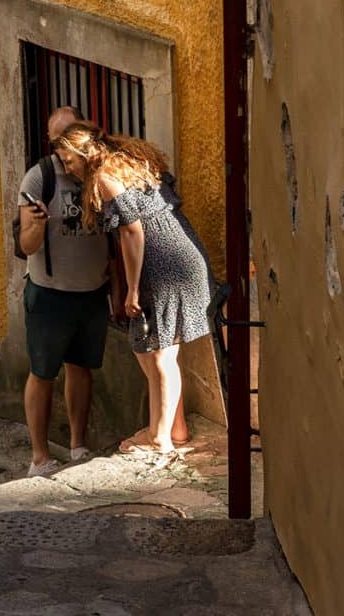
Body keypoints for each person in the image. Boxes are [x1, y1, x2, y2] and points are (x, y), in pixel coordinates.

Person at [54, 122, 215, 456]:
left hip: (165, 266)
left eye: (69, 160)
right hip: (184, 257)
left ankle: (160, 438)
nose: (67, 168)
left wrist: (132, 289)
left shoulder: (103, 178)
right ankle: (176, 428)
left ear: (84, 153)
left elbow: (132, 234)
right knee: (160, 351)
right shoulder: (127, 160)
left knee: (157, 354)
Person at [18, 106, 116, 477]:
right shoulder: (38, 178)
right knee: (43, 372)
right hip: (50, 293)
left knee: (82, 368)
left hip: (91, 291)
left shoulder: (98, 172)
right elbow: (26, 245)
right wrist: (38, 226)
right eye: (56, 140)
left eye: (68, 138)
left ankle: (78, 446)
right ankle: (39, 457)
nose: (62, 148)